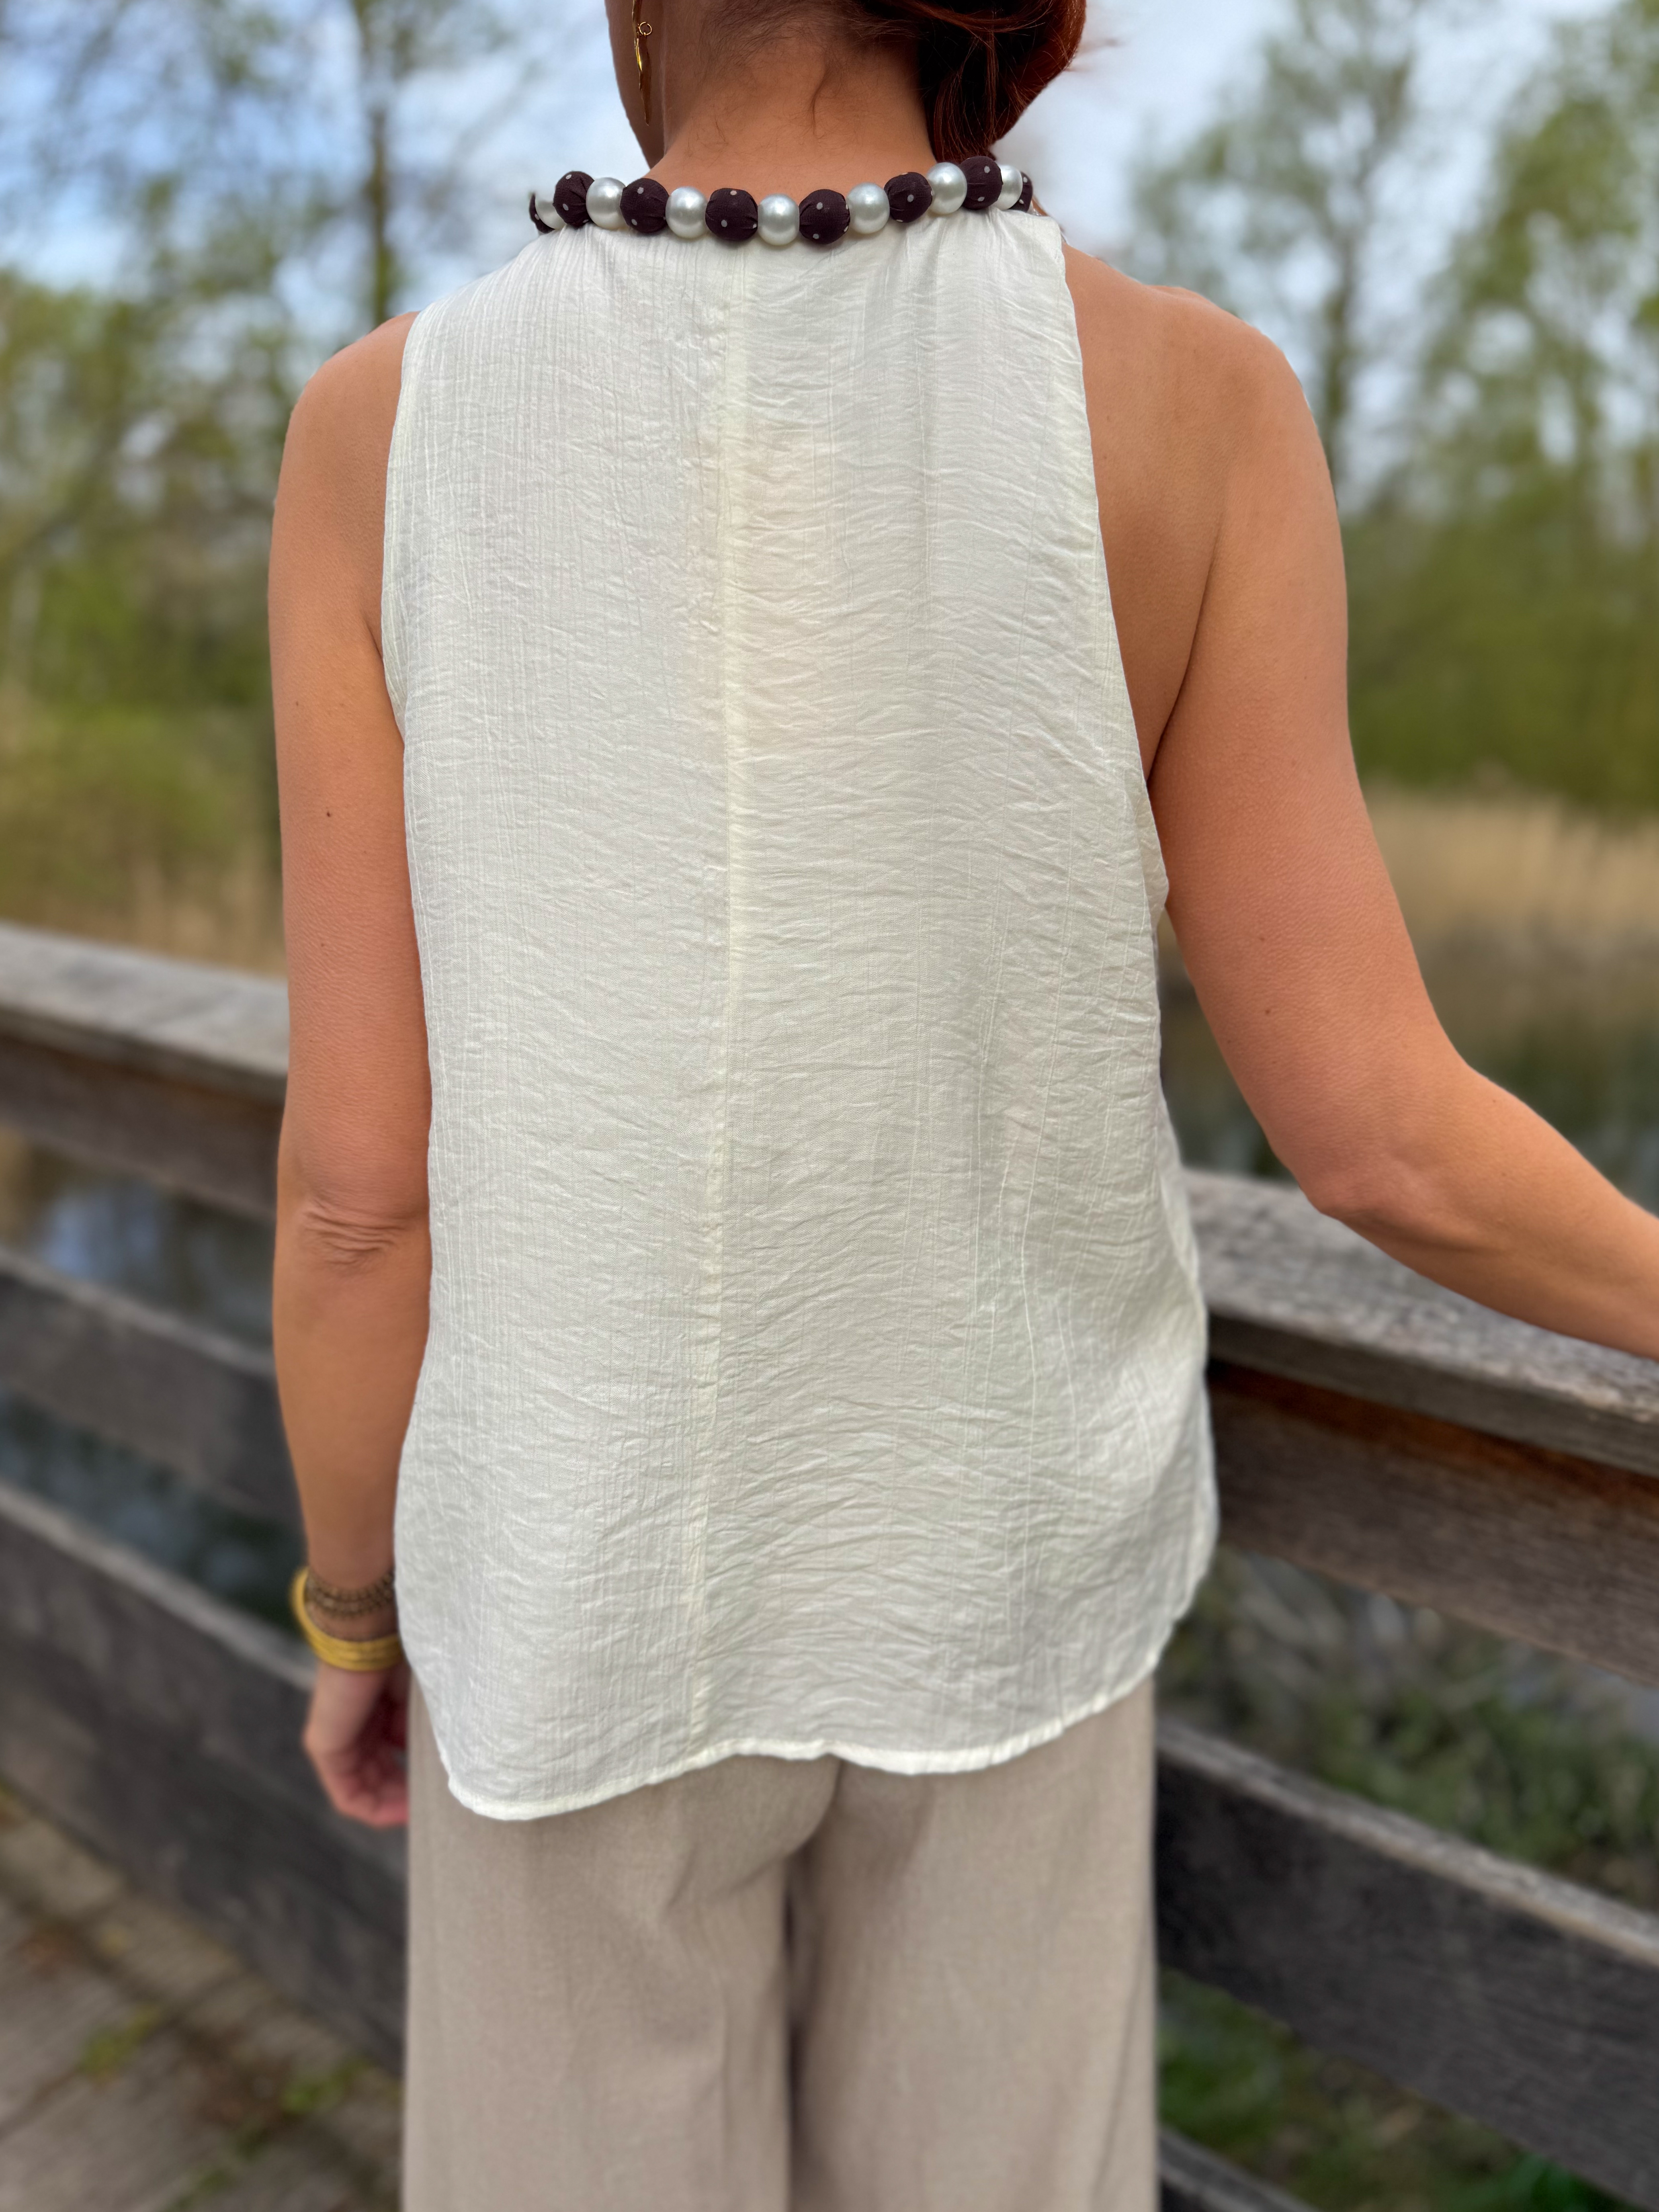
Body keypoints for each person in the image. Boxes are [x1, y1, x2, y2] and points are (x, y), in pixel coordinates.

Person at [266, 1, 1659, 2205]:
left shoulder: (383, 425)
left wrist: (356, 1614)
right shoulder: (1195, 402)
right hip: (1007, 1580)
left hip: (565, 1594)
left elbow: (359, 1197)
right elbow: (1387, 1138)